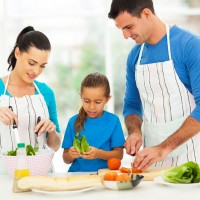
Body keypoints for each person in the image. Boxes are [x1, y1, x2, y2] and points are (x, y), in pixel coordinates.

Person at [108, 0, 200, 171]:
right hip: (151, 161)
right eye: (121, 30)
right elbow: (132, 105)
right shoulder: (135, 56)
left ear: (147, 14)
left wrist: (163, 148)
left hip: (192, 159)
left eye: (129, 27)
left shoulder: (190, 45)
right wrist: (134, 131)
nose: (126, 35)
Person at [0, 26, 61, 172]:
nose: (36, 71)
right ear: (17, 53)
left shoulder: (46, 93)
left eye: (42, 66)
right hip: (4, 175)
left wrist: (52, 131)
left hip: (41, 172)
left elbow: (55, 146)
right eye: (32, 63)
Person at [62, 72, 125, 172]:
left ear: (107, 99)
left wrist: (98, 153)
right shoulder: (73, 122)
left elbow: (118, 155)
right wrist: (70, 154)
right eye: (86, 101)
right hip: (77, 176)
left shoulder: (113, 121)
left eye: (98, 102)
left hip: (103, 175)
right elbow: (66, 159)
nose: (91, 107)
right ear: (81, 97)